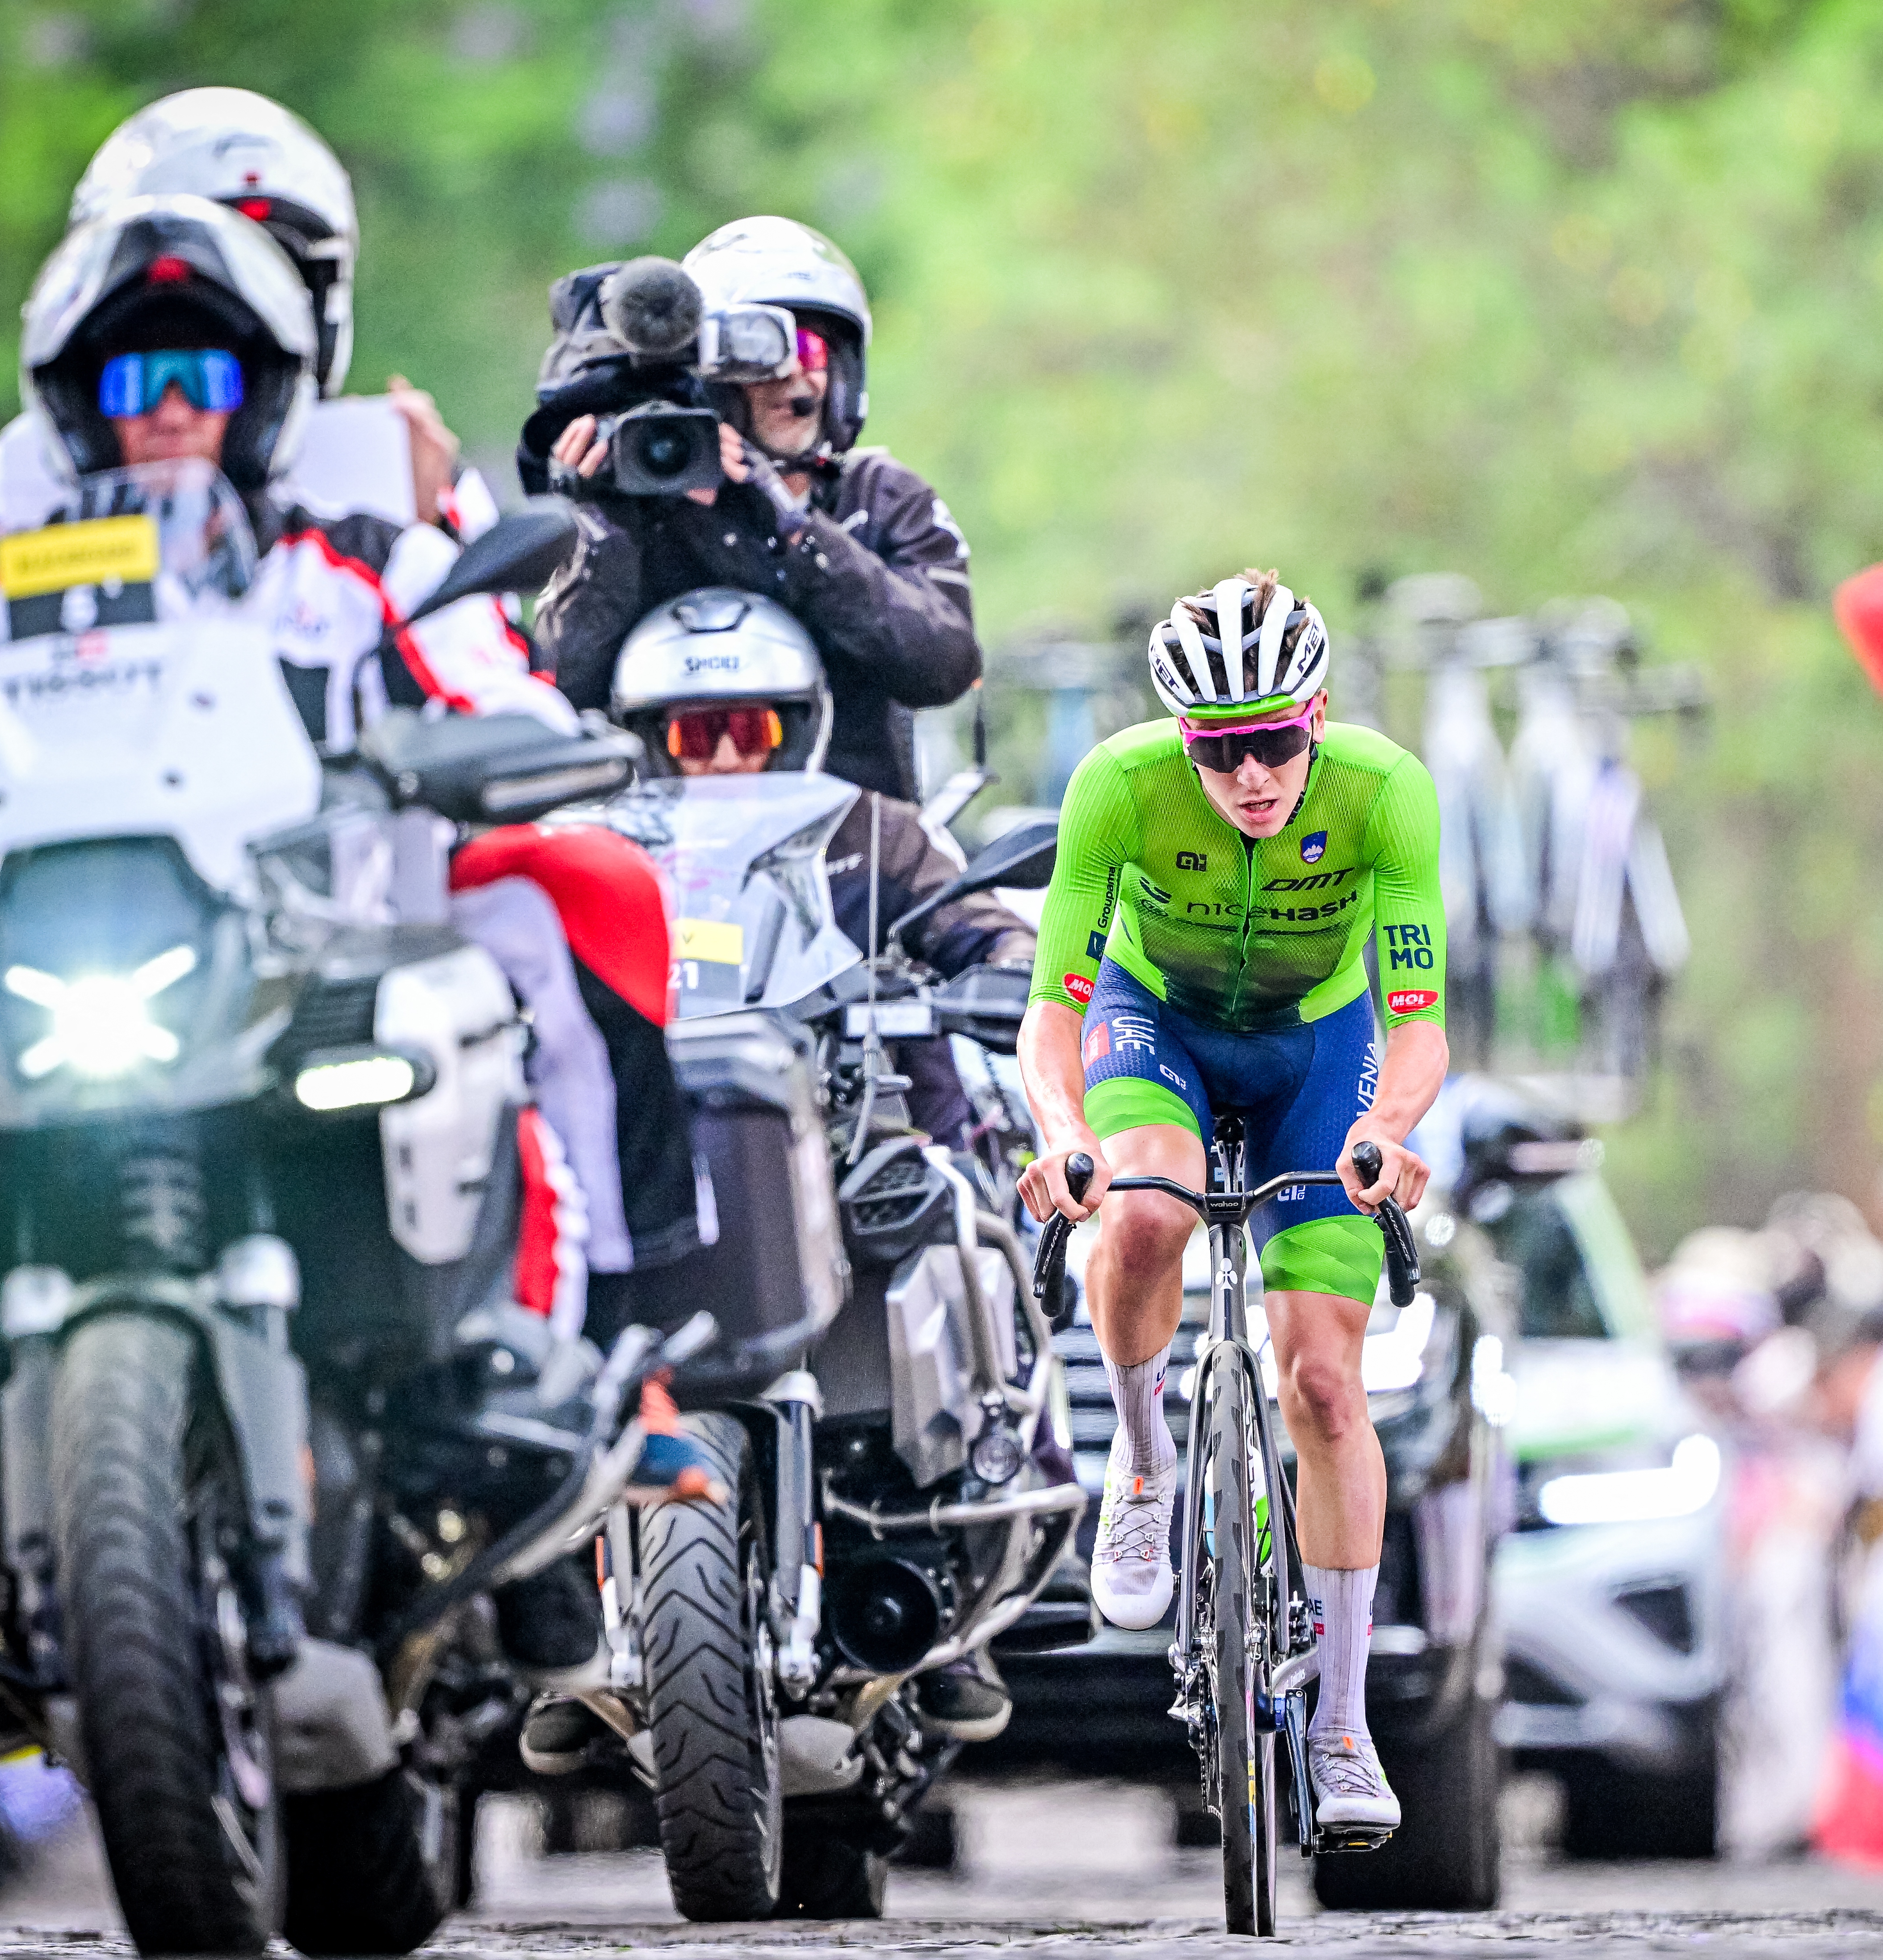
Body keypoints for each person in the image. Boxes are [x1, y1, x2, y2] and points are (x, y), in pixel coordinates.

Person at [1012, 570, 1445, 1840]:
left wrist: (1385, 1132)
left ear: (1316, 719)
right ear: (1182, 742)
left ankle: (1342, 1719)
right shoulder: (1117, 788)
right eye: (1220, 750)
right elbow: (1057, 1006)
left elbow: (1416, 1023)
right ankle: (1143, 1468)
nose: (1251, 776)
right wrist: (1062, 1134)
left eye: (1275, 743)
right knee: (1144, 1215)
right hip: (1163, 1030)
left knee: (1323, 1385)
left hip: (1319, 1050)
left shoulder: (1386, 793)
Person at [526, 218, 978, 802]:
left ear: (843, 370)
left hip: (859, 862)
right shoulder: (645, 502)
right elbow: (556, 695)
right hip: (662, 852)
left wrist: (796, 530)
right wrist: (604, 527)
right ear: (709, 376)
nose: (790, 371)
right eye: (760, 354)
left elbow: (944, 667)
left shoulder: (883, 496)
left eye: (810, 346)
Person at [612, 588, 1033, 1155]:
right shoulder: (612, 854)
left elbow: (974, 921)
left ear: (795, 730)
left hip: (876, 1124)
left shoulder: (878, 831)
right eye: (698, 734)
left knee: (954, 1203)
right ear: (653, 744)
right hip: (665, 1122)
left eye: (751, 731)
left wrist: (1013, 962)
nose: (729, 757)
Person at [0, 86, 479, 537]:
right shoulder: (27, 469)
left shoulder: (393, 458)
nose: (173, 411)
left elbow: (494, 645)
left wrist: (435, 527)